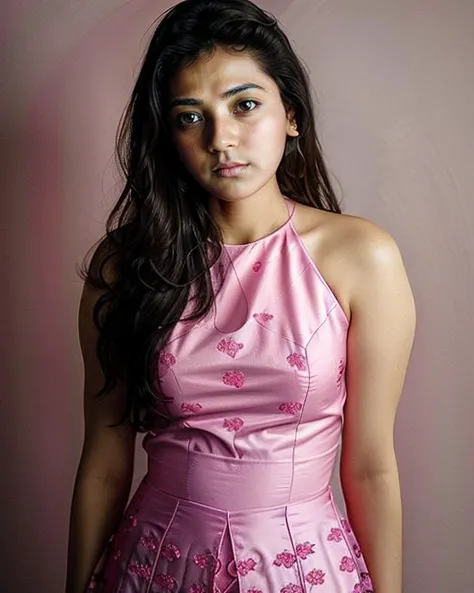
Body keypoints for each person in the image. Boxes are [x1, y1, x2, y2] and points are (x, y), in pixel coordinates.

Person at [66, 1, 416, 592]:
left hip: (302, 572)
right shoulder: (125, 265)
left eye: (245, 105)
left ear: (292, 115)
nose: (221, 139)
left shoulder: (363, 258)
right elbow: (103, 459)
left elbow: (371, 466)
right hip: (155, 567)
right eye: (188, 116)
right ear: (169, 136)